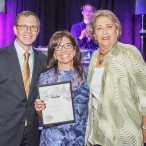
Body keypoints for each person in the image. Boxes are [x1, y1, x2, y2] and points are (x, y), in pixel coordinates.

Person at [85, 10, 146, 146]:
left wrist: (145, 126)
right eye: (99, 28)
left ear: (117, 31)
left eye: (109, 27)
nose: (104, 32)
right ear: (94, 34)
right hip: (98, 134)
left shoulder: (129, 52)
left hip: (124, 134)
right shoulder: (94, 56)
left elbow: (144, 91)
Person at [35, 30, 89, 146]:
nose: (63, 50)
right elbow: (41, 113)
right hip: (53, 140)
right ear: (54, 53)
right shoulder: (45, 77)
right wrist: (39, 109)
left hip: (81, 138)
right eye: (58, 47)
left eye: (67, 45)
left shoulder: (88, 74)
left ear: (75, 49)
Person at [0, 11, 46, 146]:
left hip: (31, 135)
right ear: (15, 29)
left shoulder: (43, 60)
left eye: (33, 27)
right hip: (4, 133)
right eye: (23, 26)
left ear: (38, 31)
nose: (28, 30)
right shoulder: (1, 57)